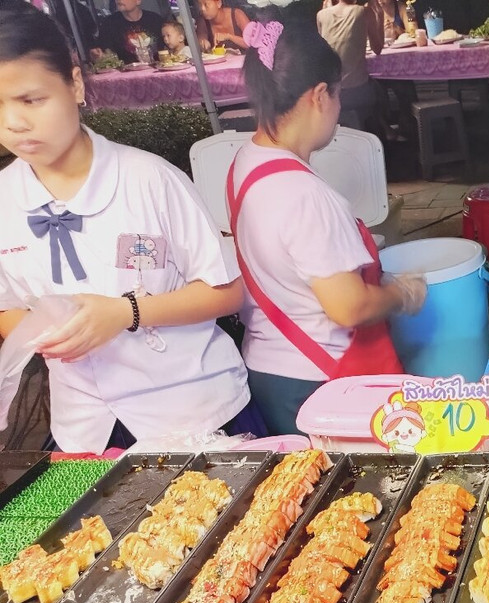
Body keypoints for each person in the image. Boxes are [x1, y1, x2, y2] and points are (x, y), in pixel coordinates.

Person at [0, 1, 256, 453]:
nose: (13, 124)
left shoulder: (150, 179)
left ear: (75, 82)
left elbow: (226, 291)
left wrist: (125, 314)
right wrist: (44, 330)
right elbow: (7, 310)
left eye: (31, 100)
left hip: (192, 411)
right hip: (85, 426)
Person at [229, 18, 427, 435]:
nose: (338, 112)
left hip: (266, 368)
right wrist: (401, 293)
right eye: (337, 96)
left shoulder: (246, 161)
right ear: (320, 95)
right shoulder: (307, 195)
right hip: (321, 377)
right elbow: (348, 306)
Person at [317, 0, 384, 130]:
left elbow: (324, 49)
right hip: (357, 92)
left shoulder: (321, 15)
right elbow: (378, 48)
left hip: (329, 92)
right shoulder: (364, 12)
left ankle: (383, 131)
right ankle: (385, 133)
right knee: (381, 89)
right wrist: (380, 17)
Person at [90, 0, 164, 64]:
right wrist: (99, 56)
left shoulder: (155, 20)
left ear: (138, 1)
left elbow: (167, 47)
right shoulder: (109, 24)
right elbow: (105, 54)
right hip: (124, 75)